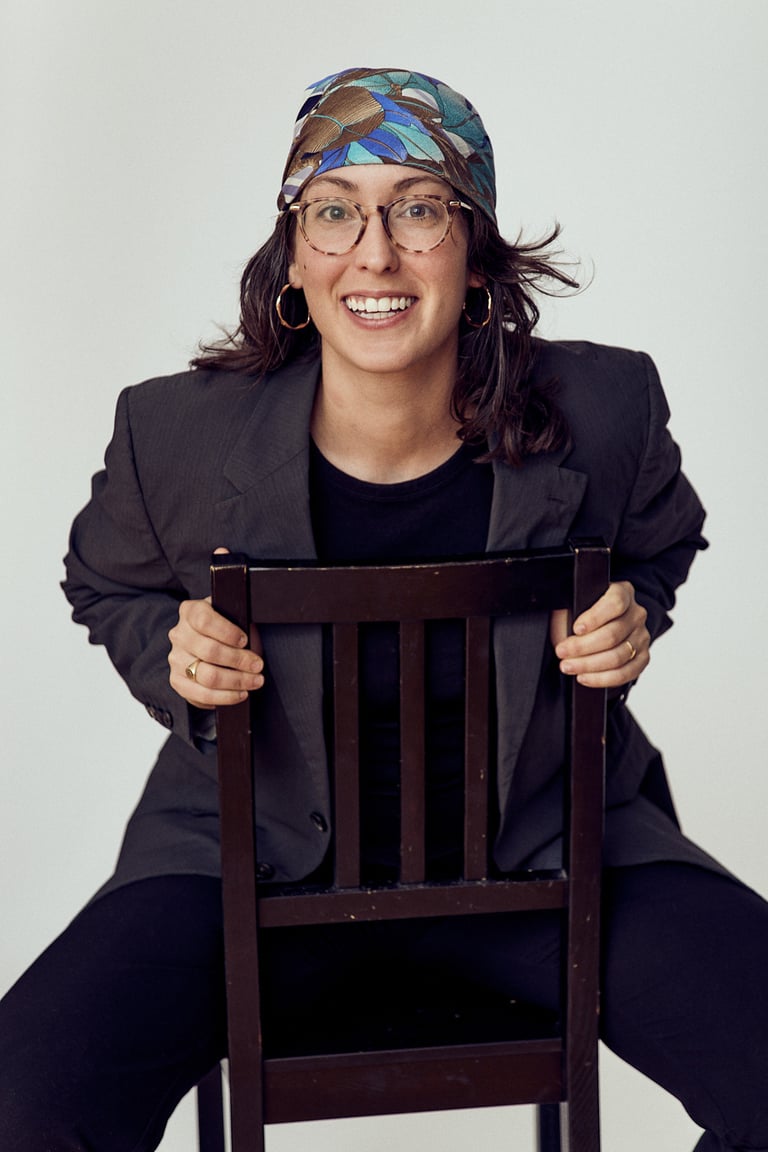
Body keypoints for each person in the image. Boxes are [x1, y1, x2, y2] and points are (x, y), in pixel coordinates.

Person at [1, 66, 766, 1152]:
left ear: (477, 252)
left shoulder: (607, 409)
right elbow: (106, 579)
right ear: (294, 256)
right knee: (25, 1103)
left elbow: (662, 540)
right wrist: (169, 654)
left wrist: (630, 612)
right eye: (334, 212)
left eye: (419, 208)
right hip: (242, 863)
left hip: (553, 856)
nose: (375, 254)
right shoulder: (172, 435)